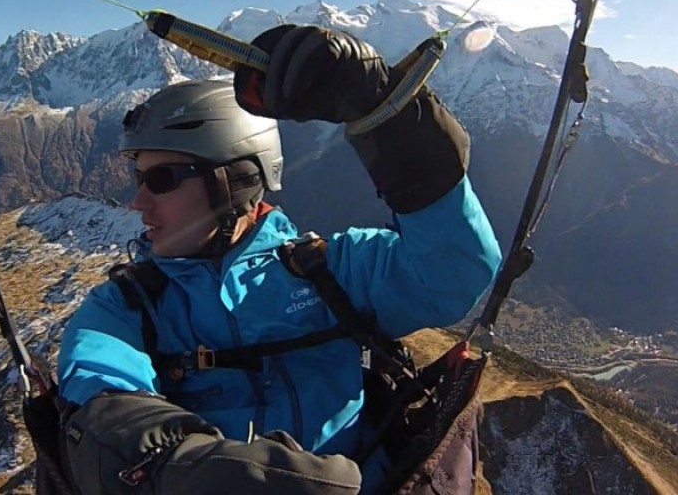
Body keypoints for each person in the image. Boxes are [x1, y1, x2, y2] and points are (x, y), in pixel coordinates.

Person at [55, 25, 502, 494]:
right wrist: (186, 466)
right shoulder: (123, 308)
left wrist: (387, 115)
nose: (137, 202)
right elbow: (103, 400)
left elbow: (457, 270)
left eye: (161, 179)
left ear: (236, 181)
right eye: (139, 178)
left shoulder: (334, 270)